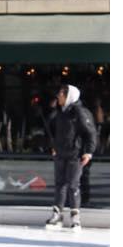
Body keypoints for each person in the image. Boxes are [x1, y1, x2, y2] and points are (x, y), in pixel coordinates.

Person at [44, 84, 97, 231]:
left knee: (73, 185)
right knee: (60, 184)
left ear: (69, 96)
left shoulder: (79, 112)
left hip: (75, 155)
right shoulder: (59, 112)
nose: (58, 96)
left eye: (61, 94)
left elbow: (90, 133)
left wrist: (88, 152)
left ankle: (75, 216)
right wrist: (53, 146)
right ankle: (57, 214)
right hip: (61, 154)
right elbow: (51, 129)